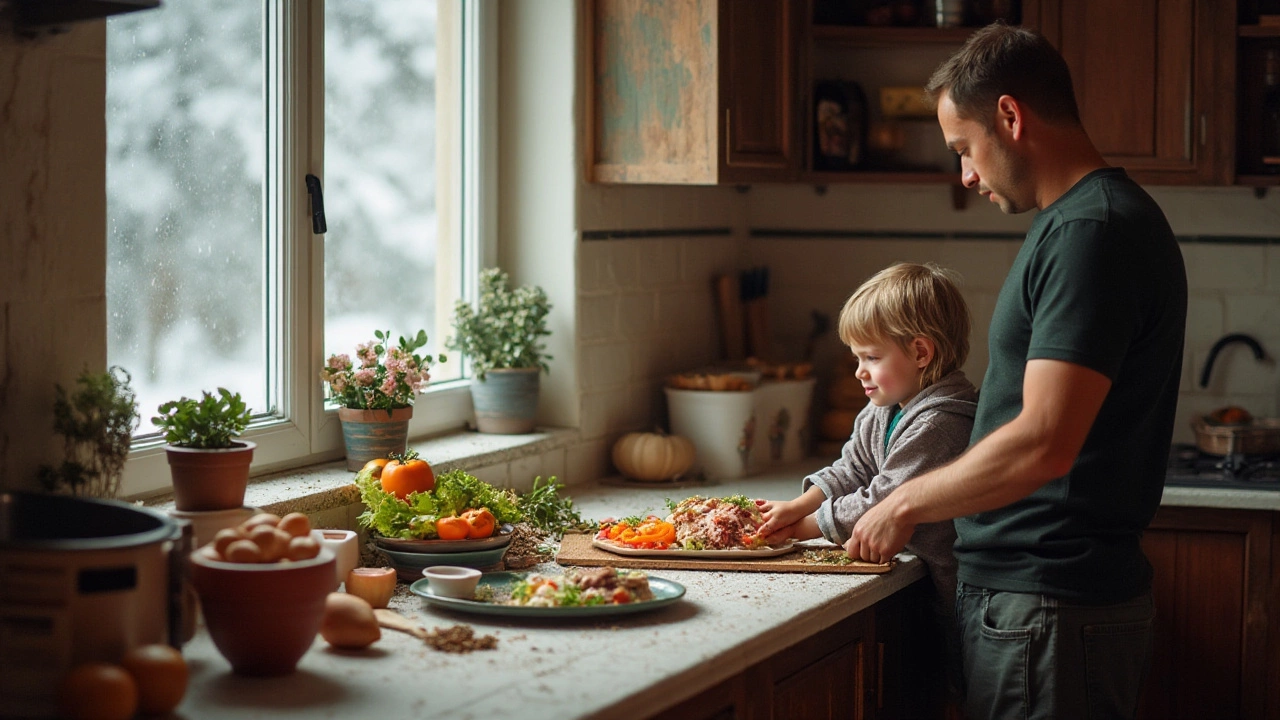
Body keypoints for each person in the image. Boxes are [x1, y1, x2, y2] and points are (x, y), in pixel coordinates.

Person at [845, 23, 1187, 720]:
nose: (965, 175)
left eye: (965, 150)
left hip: (1049, 606)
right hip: (1042, 605)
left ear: (1010, 115)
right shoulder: (1081, 225)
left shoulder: (1092, 233)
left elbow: (1042, 440)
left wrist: (903, 502)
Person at [758, 261, 978, 614]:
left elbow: (883, 499)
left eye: (871, 357)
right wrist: (796, 508)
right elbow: (854, 468)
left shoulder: (939, 424)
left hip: (941, 590)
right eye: (856, 357)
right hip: (903, 567)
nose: (859, 371)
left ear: (921, 353)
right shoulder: (883, 409)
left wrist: (801, 529)